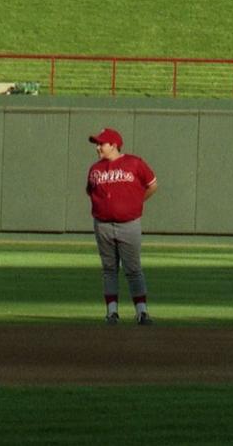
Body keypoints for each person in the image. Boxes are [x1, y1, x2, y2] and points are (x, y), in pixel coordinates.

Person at [86, 126, 157, 324]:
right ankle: (111, 312)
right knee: (109, 268)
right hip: (102, 224)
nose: (98, 147)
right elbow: (90, 192)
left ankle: (141, 312)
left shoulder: (134, 163)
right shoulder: (95, 169)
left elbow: (152, 185)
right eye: (97, 143)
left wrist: (136, 202)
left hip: (129, 224)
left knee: (133, 268)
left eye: (101, 143)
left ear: (114, 145)